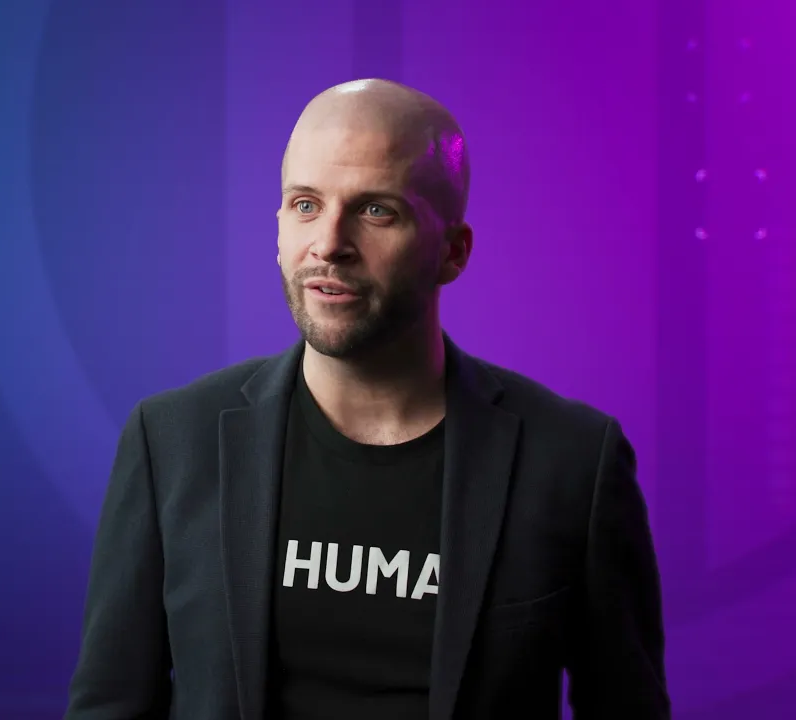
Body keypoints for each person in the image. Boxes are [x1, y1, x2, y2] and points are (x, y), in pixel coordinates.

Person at [64, 78, 669, 720]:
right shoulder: (171, 443)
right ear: (278, 228)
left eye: (377, 210)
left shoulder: (573, 463)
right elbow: (110, 705)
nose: (329, 243)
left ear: (453, 252)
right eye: (305, 204)